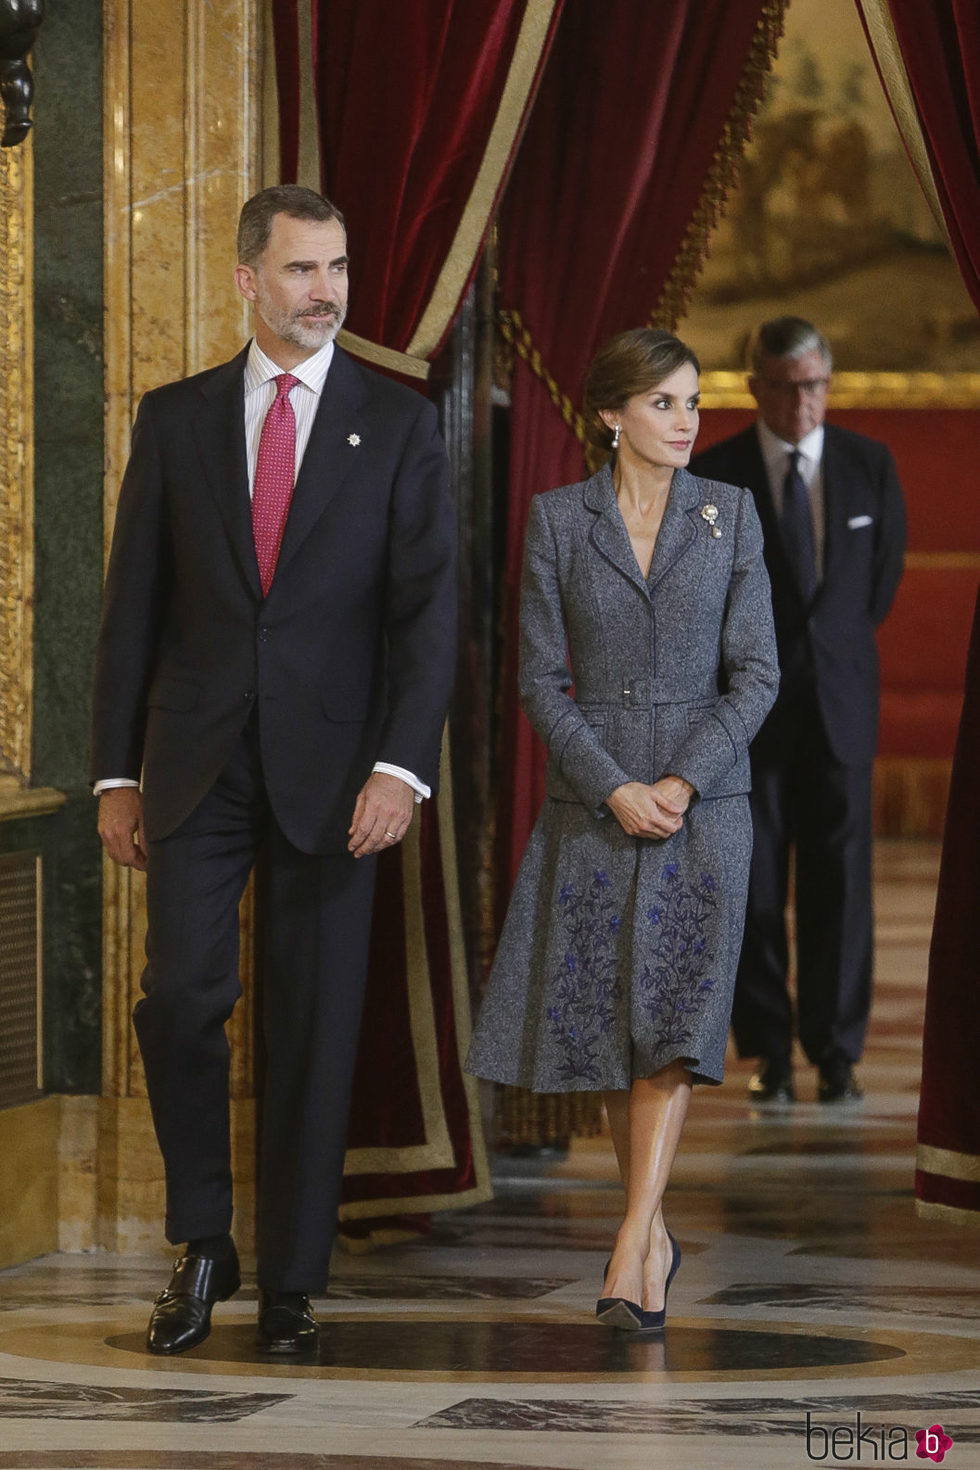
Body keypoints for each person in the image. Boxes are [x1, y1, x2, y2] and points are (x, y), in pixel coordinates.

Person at [90, 184, 457, 1355]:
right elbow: (129, 611)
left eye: (338, 268)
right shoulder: (177, 418)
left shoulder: (399, 424)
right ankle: (205, 1240)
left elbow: (427, 618)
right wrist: (113, 774)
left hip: (340, 773)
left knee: (312, 1022)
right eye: (302, 271)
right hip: (194, 766)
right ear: (246, 280)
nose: (327, 293)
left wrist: (400, 768)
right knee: (181, 996)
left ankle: (294, 1278)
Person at [467, 329, 778, 1329]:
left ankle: (626, 1244)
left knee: (672, 1034)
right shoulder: (557, 521)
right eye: (662, 403)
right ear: (609, 415)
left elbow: (758, 676)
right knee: (614, 1030)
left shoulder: (730, 517)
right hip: (592, 816)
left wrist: (683, 779)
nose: (686, 421)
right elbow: (536, 682)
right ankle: (650, 1237)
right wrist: (611, 787)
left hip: (703, 813)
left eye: (692, 402)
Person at [691, 316, 906, 1104]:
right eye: (783, 387)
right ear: (755, 388)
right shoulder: (715, 477)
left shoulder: (868, 466)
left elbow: (876, 587)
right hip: (745, 720)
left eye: (813, 385)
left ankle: (837, 1050)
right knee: (749, 888)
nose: (801, 402)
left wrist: (828, 661)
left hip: (841, 708)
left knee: (841, 888)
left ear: (829, 383)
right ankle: (771, 1054)